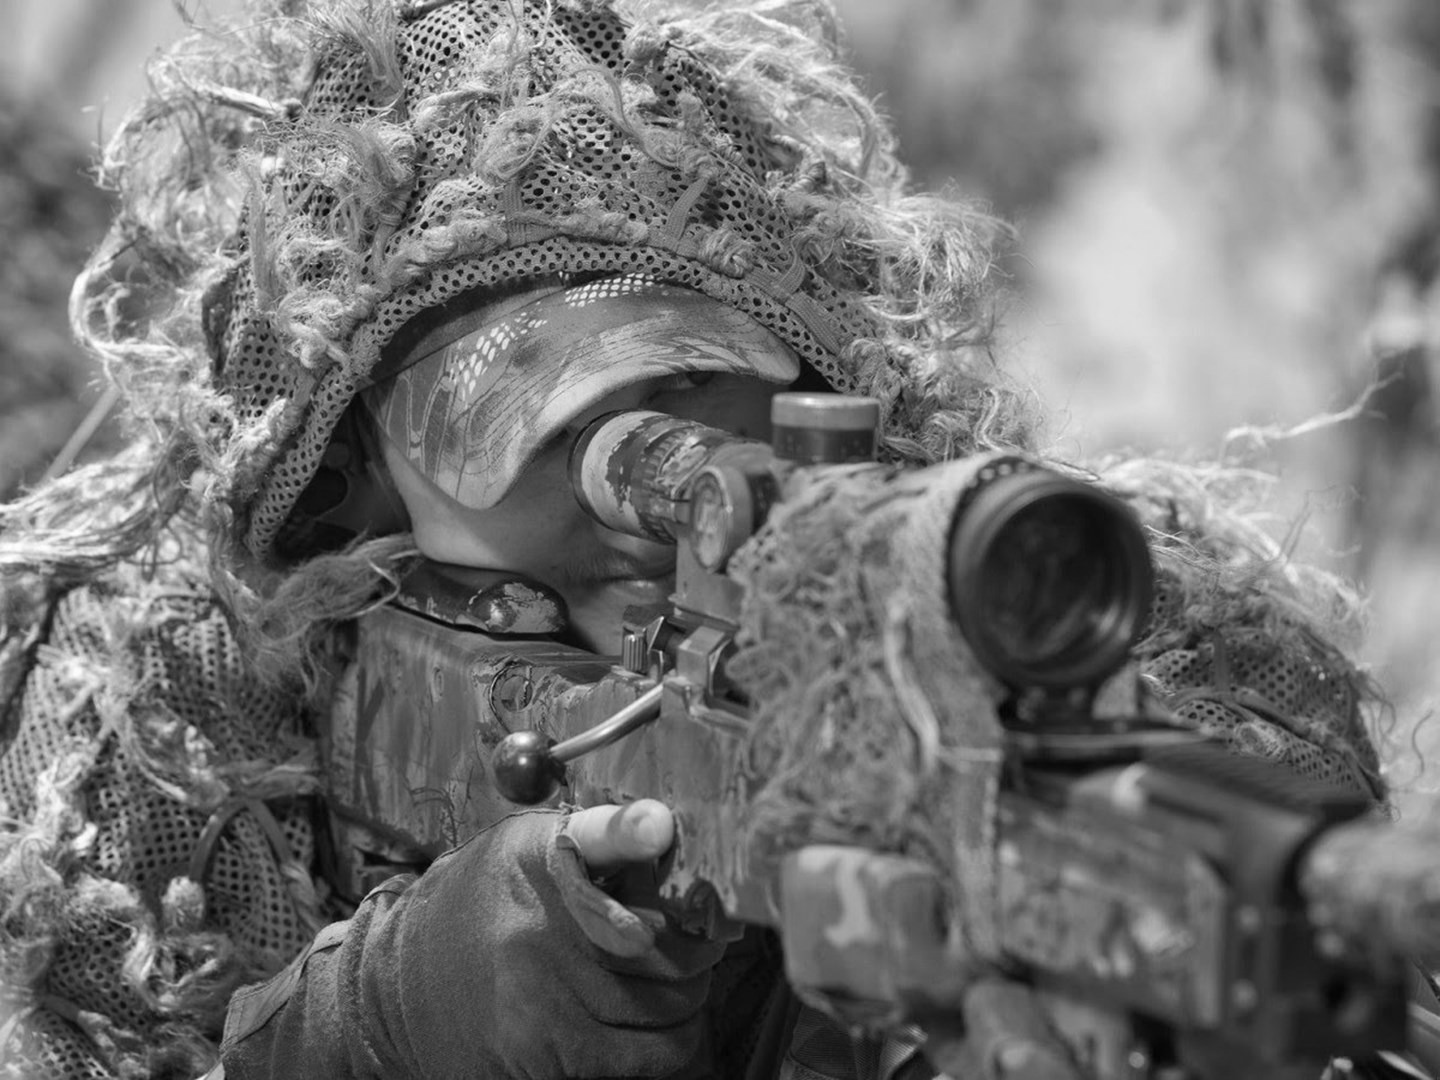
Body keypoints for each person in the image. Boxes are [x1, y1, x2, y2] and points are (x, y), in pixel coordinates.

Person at [0, 1, 1387, 1077]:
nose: (639, 455)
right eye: (522, 415)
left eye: (700, 371)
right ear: (350, 477)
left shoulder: (1057, 605)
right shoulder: (183, 717)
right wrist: (377, 1020)